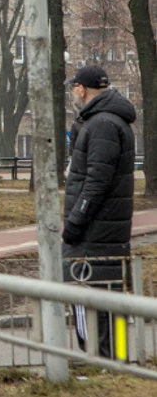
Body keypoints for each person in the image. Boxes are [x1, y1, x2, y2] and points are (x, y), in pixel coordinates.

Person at [63, 65, 136, 358]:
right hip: (109, 232)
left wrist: (74, 224)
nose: (73, 96)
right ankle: (117, 360)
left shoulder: (101, 125)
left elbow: (96, 182)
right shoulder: (114, 121)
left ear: (81, 89)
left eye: (73, 90)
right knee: (112, 304)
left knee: (83, 297)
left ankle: (94, 360)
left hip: (93, 235)